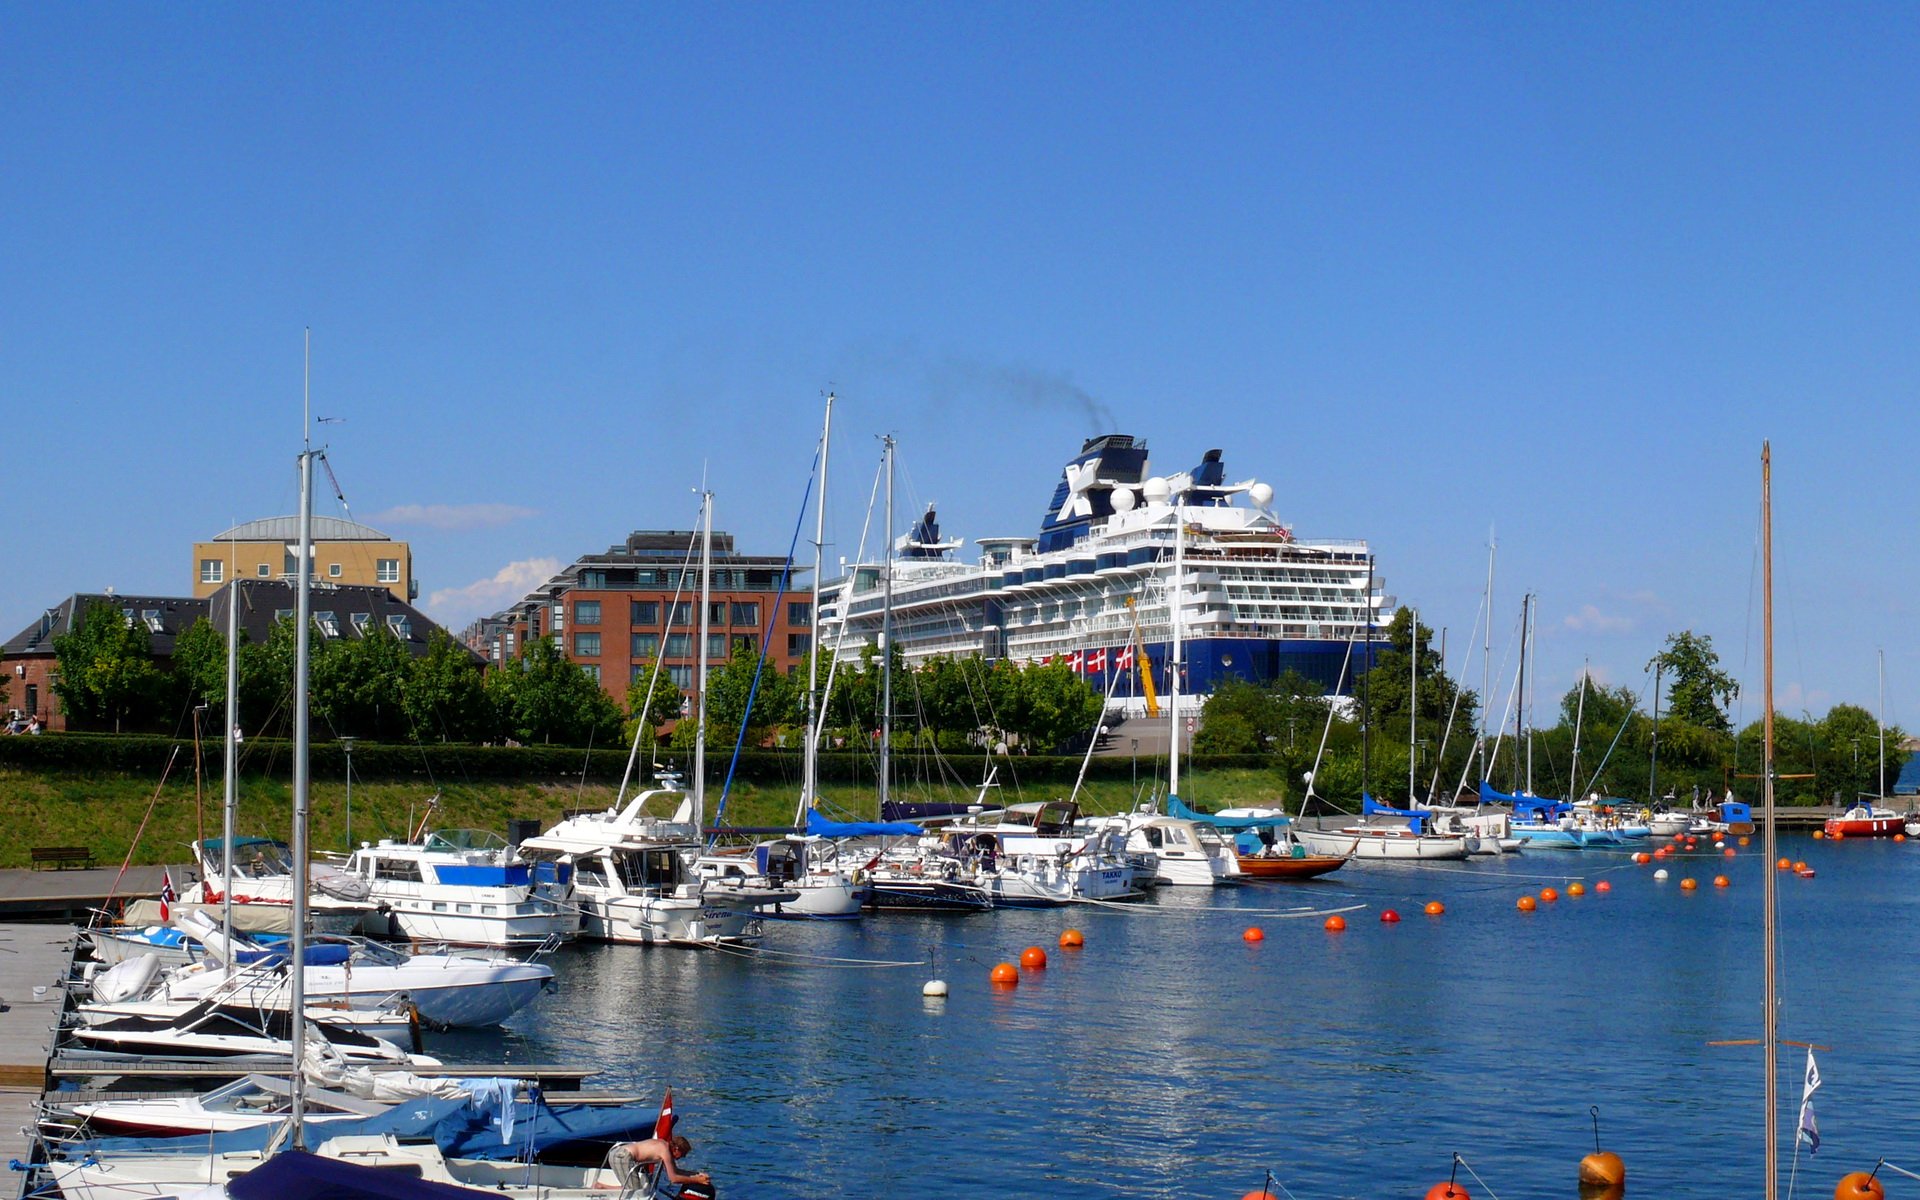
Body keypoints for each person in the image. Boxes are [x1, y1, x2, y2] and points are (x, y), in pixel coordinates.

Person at [607, 1134, 711, 1198]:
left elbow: (675, 1170)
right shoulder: (665, 1151)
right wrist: (697, 1180)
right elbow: (673, 1178)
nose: (682, 1157)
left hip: (619, 1153)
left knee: (635, 1188)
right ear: (676, 1149)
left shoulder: (664, 1146)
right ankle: (601, 1188)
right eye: (683, 1154)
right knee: (637, 1192)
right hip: (621, 1157)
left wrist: (697, 1174)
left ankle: (602, 1187)